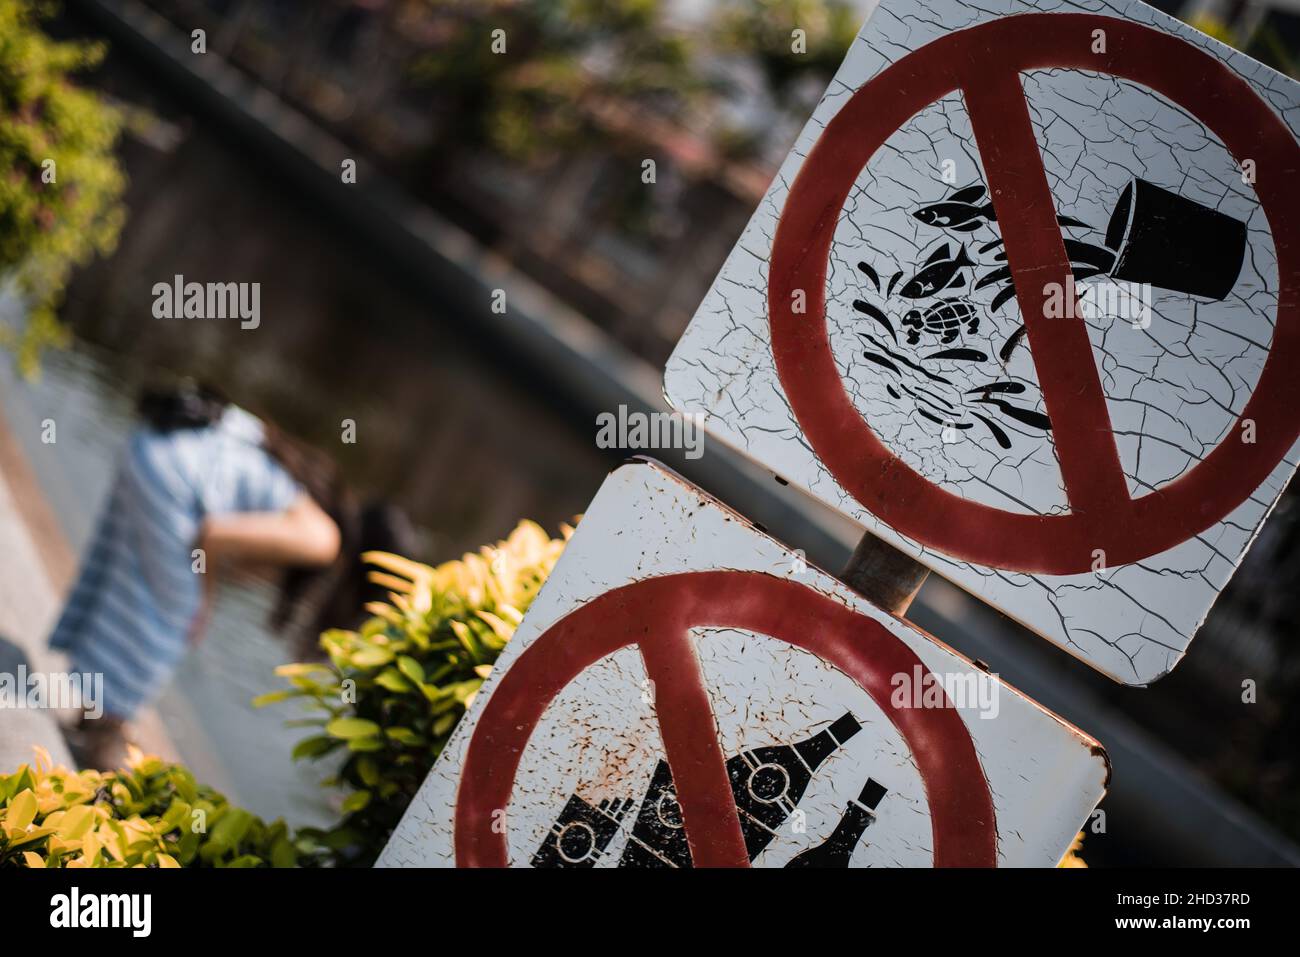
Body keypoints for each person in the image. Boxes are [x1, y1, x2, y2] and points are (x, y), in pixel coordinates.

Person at [49, 381, 410, 769]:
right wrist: (203, 601)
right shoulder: (323, 538)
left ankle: (97, 714)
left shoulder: (310, 488)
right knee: (172, 616)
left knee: (127, 582)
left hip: (151, 445)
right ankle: (106, 732)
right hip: (170, 477)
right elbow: (213, 535)